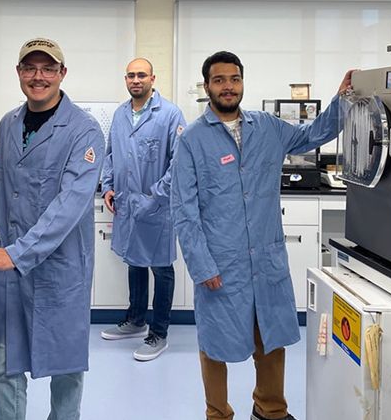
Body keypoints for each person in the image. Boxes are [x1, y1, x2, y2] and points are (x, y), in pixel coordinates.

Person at [170, 50, 354, 420]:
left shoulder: (267, 127)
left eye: (234, 79)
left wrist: (341, 100)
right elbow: (184, 211)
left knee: (271, 338)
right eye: (219, 80)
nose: (228, 87)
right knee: (215, 345)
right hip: (221, 261)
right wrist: (202, 265)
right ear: (207, 87)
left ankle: (270, 409)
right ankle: (217, 412)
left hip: (265, 257)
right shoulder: (191, 140)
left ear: (242, 83)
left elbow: (313, 134)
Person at [0, 37, 105, 420]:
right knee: (4, 365)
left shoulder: (83, 130)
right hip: (10, 269)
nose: (38, 77)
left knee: (65, 372)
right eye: (30, 68)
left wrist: (16, 254)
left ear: (62, 74)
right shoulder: (10, 123)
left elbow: (69, 205)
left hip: (60, 271)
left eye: (48, 69)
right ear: (19, 73)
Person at [99, 58, 186, 361]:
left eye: (141, 75)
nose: (135, 80)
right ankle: (136, 320)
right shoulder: (122, 114)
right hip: (126, 202)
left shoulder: (170, 114)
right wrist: (107, 186)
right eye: (130, 75)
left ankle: (158, 333)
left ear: (152, 78)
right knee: (133, 260)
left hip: (156, 205)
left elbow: (180, 164)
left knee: (161, 267)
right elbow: (111, 154)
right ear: (126, 79)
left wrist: (155, 195)